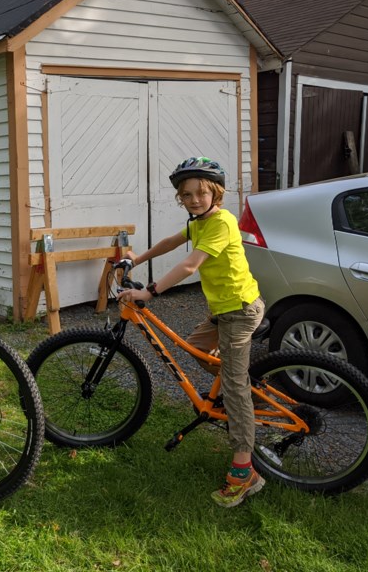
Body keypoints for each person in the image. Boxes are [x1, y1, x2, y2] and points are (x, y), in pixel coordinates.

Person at [116, 156, 266, 508]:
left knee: (233, 388)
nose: (194, 199)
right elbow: (172, 242)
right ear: (180, 199)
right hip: (222, 312)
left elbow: (189, 264)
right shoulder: (199, 222)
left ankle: (244, 473)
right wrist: (134, 260)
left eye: (201, 192)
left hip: (240, 312)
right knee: (195, 348)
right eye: (186, 194)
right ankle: (245, 389)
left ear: (216, 193)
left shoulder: (221, 222)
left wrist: (149, 291)